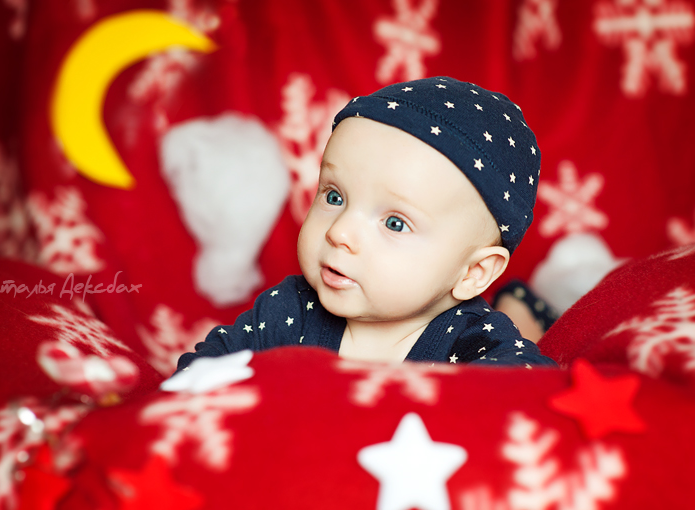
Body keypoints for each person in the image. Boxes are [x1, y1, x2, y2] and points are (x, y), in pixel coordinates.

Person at [177, 77, 557, 369]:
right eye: (334, 197)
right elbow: (199, 377)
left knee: (527, 332)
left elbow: (532, 395)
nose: (339, 232)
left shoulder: (475, 342)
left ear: (473, 272)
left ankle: (521, 305)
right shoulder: (290, 310)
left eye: (394, 223)